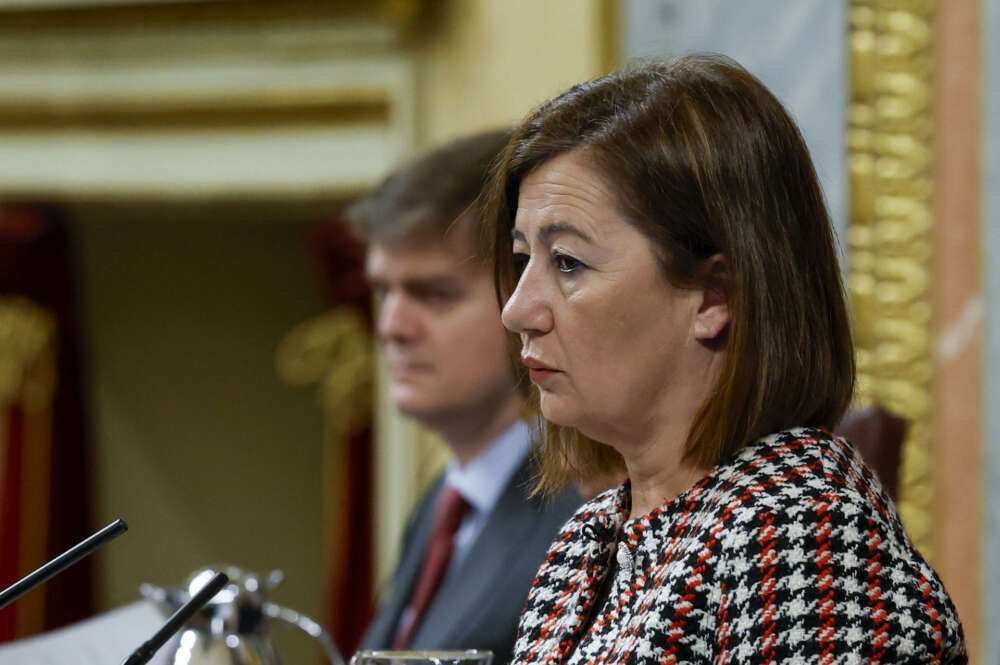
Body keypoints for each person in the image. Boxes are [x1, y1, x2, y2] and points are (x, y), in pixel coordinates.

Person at [483, 55, 967, 664]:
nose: (518, 310)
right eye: (523, 258)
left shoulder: (804, 538)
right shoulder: (585, 543)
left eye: (568, 263)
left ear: (717, 296)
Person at [348, 130, 580, 665]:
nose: (391, 327)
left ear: (524, 297)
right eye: (384, 291)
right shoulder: (443, 502)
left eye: (433, 294)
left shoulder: (581, 505)